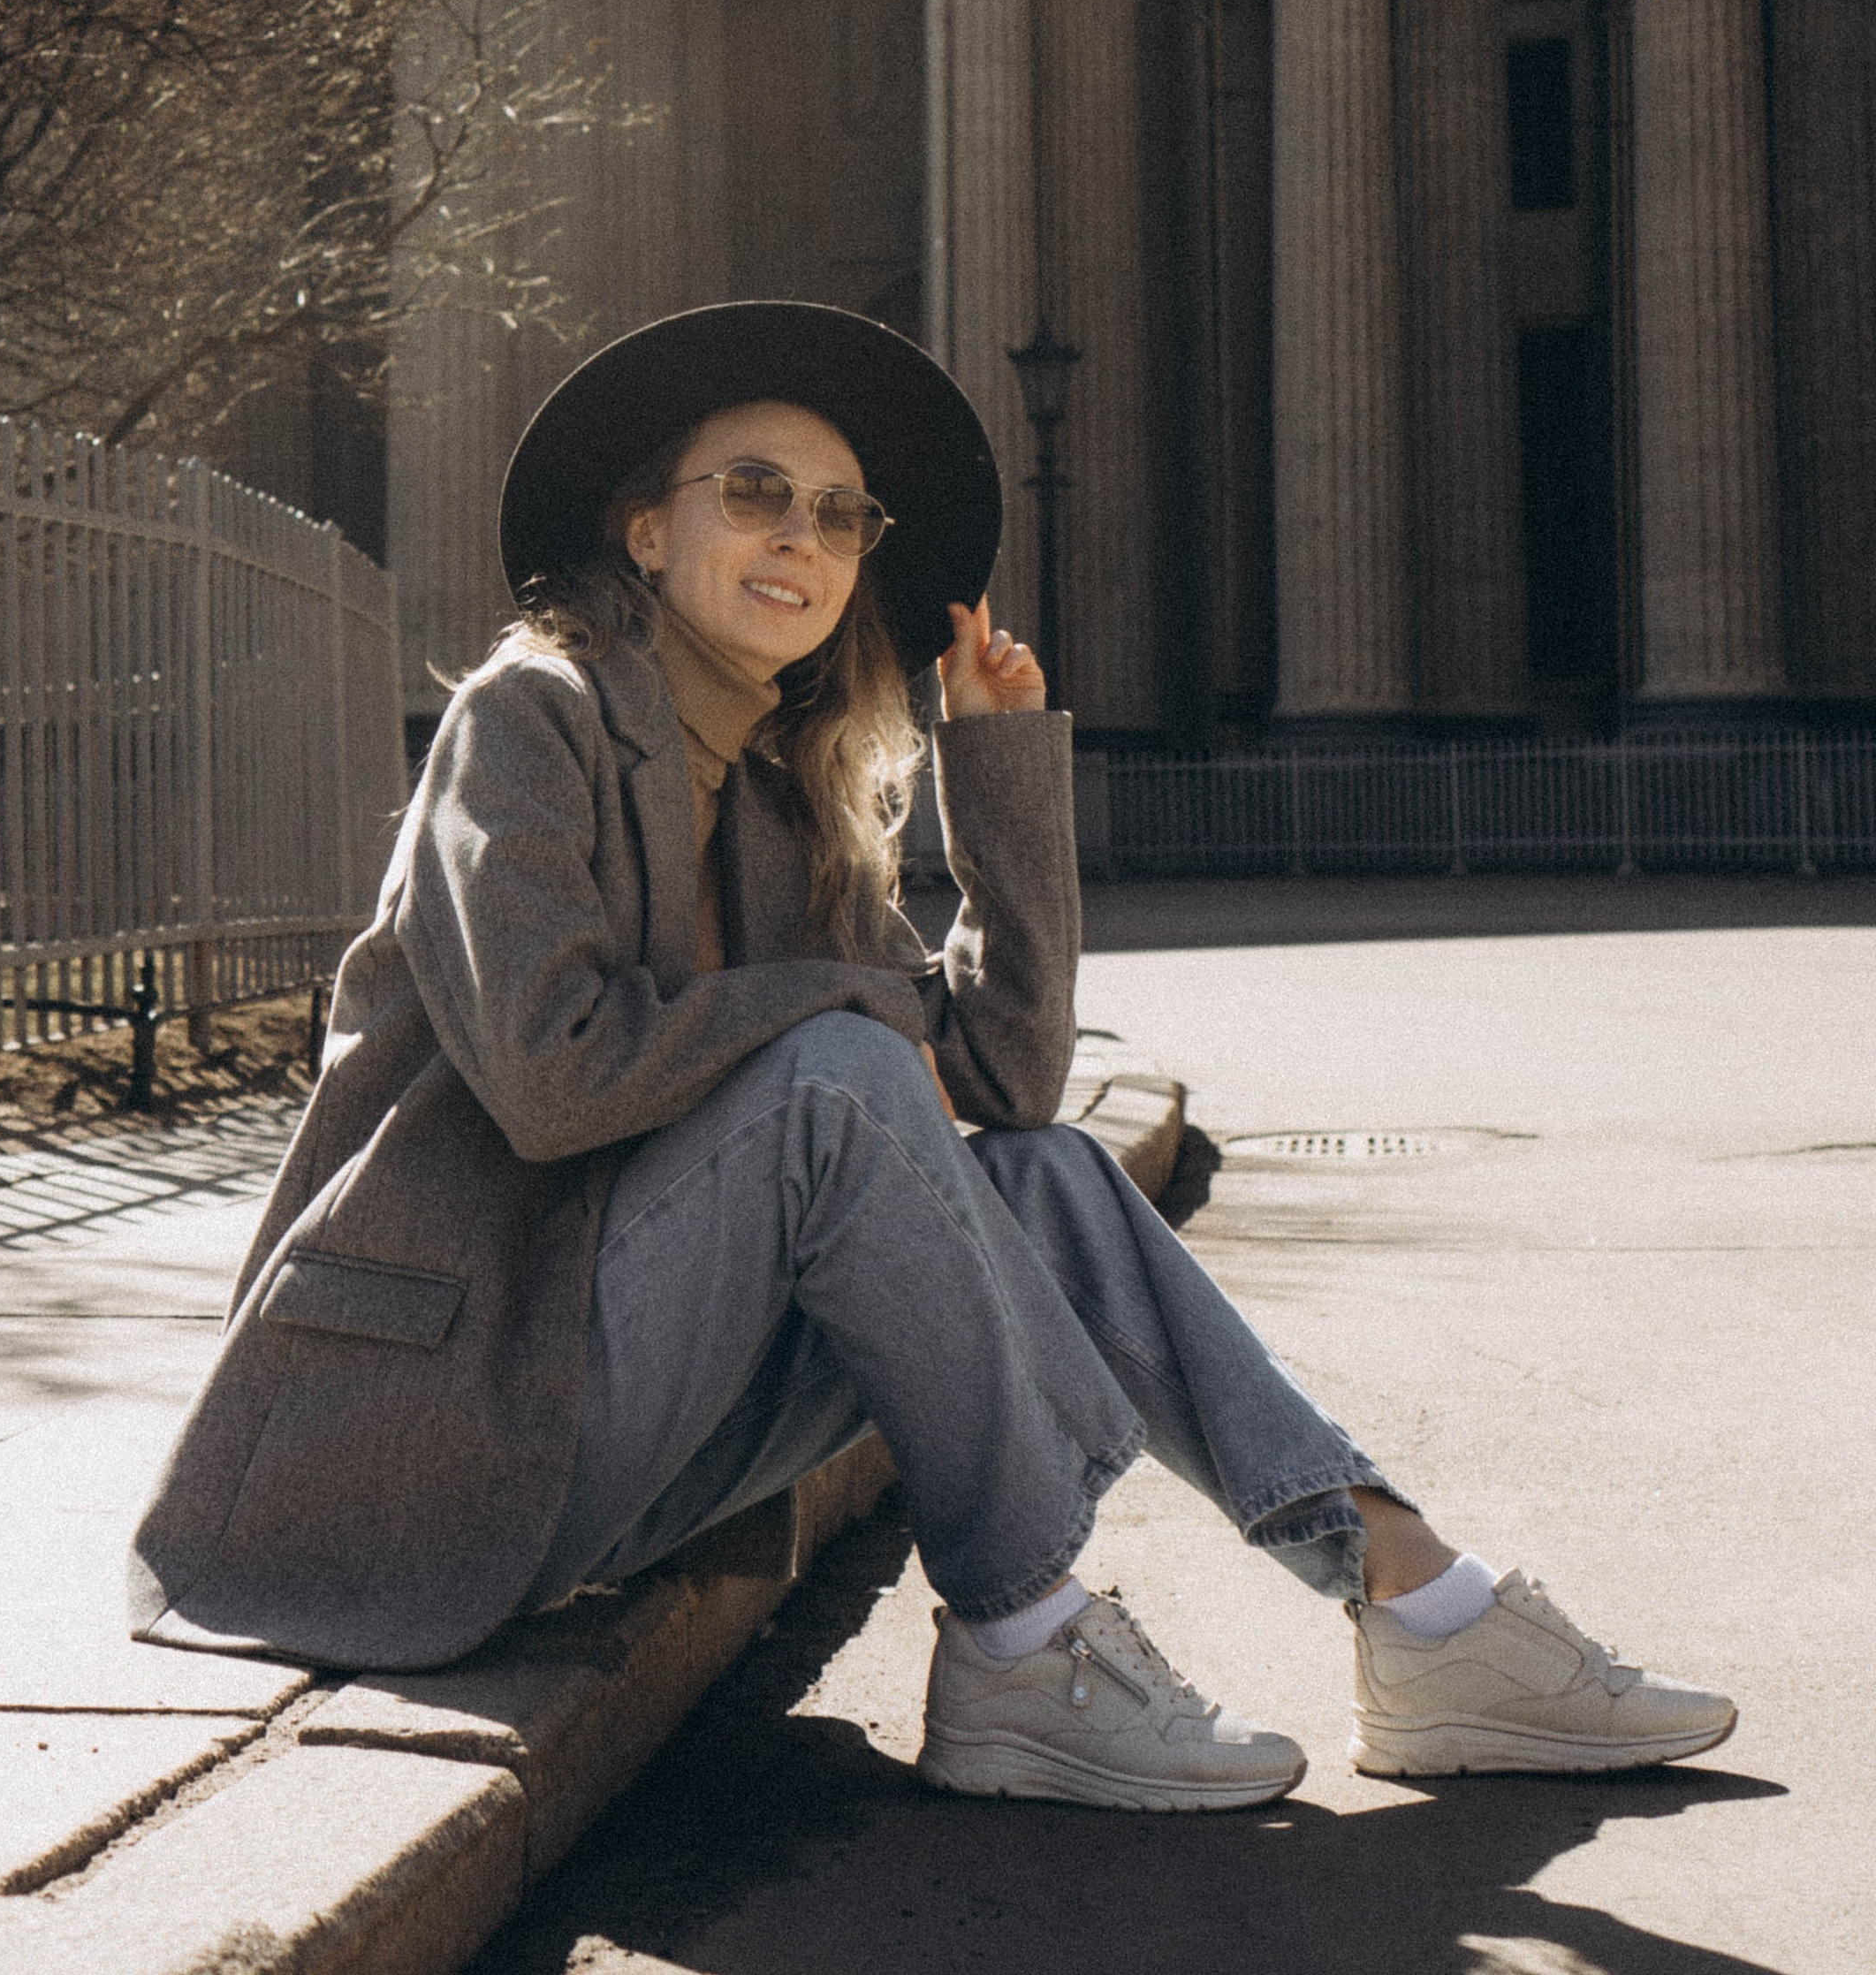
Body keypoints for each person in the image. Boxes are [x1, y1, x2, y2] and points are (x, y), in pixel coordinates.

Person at [131, 300, 1735, 1807]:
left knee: (1036, 1171)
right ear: (646, 528)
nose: (801, 539)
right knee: (834, 1078)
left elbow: (1008, 1080)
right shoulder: (528, 719)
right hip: (424, 1442)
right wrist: (841, 1018)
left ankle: (1416, 1600)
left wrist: (997, 768)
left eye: (841, 517)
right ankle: (1024, 1637)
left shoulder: (778, 789)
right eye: (755, 493)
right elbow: (557, 1077)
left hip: (627, 1415)